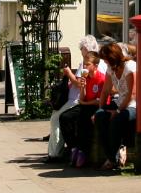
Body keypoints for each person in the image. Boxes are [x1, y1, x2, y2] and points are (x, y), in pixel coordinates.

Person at [57, 36, 108, 166]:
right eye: (84, 64)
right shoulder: (87, 78)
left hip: (95, 106)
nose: (85, 67)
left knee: (84, 122)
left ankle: (83, 152)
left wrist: (85, 103)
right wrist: (83, 88)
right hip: (85, 104)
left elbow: (100, 101)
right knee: (65, 117)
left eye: (87, 65)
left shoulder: (101, 79)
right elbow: (82, 98)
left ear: (95, 66)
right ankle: (73, 146)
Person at [93, 42, 136, 170]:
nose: (104, 62)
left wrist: (117, 111)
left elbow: (131, 94)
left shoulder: (130, 67)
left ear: (112, 57)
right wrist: (99, 110)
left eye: (105, 59)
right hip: (120, 102)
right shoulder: (111, 69)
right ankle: (112, 157)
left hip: (133, 105)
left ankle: (113, 159)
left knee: (116, 121)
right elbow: (105, 91)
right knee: (100, 118)